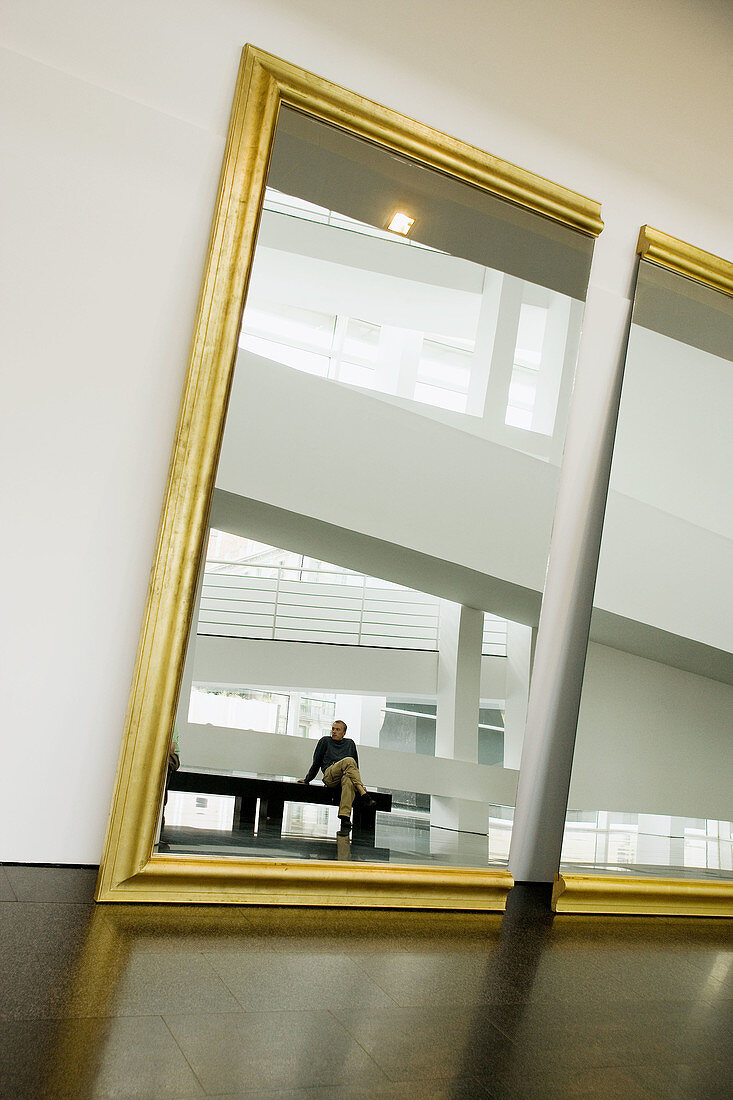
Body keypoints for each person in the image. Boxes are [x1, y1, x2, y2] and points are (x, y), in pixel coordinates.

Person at [298, 719, 375, 836]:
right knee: (349, 760)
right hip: (330, 775)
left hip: (344, 777)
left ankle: (345, 817)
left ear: (344, 733)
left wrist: (356, 781)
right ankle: (363, 793)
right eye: (333, 729)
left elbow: (355, 767)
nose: (334, 731)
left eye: (337, 730)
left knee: (349, 780)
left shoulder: (350, 744)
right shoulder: (325, 741)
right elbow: (316, 762)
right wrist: (308, 779)